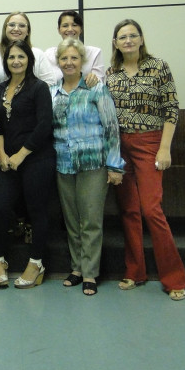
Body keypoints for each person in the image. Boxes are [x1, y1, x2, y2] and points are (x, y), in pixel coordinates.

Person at [106, 19, 185, 301]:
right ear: (115, 43)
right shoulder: (110, 73)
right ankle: (134, 271)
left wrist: (164, 149)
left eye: (132, 35)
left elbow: (171, 108)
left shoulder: (158, 66)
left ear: (141, 39)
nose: (127, 40)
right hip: (120, 146)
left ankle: (174, 278)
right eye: (122, 37)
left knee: (151, 209)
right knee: (128, 210)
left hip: (150, 143)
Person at [50, 39, 124, 296]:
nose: (68, 63)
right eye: (64, 59)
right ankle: (77, 268)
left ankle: (90, 272)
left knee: (90, 220)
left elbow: (111, 127)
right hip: (63, 163)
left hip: (93, 163)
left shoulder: (96, 88)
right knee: (72, 220)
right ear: (58, 62)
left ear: (81, 61)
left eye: (74, 58)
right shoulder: (52, 92)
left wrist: (115, 166)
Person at [0, 39, 56, 290]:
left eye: (21, 56)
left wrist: (21, 154)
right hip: (7, 162)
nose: (15, 61)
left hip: (37, 158)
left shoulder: (38, 88)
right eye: (10, 57)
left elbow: (44, 125)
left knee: (37, 211)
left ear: (29, 60)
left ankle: (36, 263)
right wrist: (3, 155)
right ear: (5, 62)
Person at [0, 12, 54, 85]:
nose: (16, 29)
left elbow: (50, 82)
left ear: (28, 31)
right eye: (12, 25)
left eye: (22, 26)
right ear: (5, 29)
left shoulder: (38, 54)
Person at [44, 11, 105, 86]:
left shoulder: (94, 53)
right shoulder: (49, 54)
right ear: (59, 30)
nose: (70, 29)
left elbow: (100, 83)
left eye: (74, 25)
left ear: (81, 29)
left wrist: (94, 79)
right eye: (65, 26)